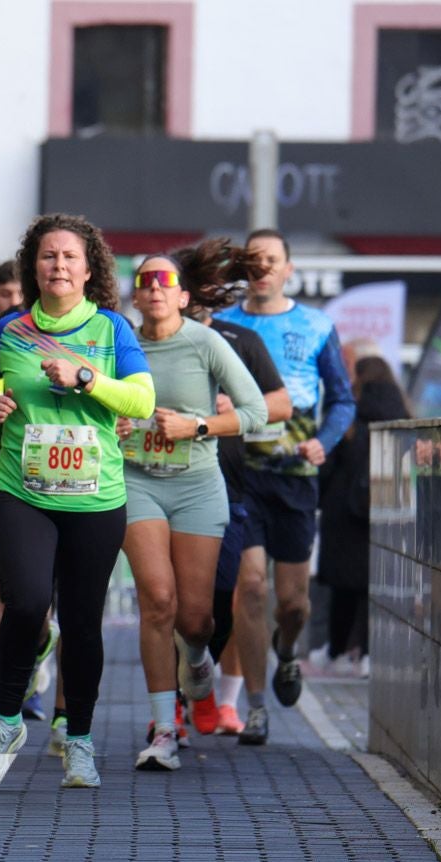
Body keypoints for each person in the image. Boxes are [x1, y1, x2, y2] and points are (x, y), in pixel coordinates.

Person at [0, 213, 155, 789]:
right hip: (21, 489)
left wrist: (87, 378)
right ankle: (8, 719)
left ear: (89, 269)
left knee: (82, 622)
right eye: (48, 257)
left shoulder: (112, 331)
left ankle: (80, 739)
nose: (59, 266)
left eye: (70, 257)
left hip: (95, 498)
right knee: (25, 604)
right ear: (33, 267)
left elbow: (141, 402)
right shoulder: (11, 331)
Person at [115, 241, 267, 772]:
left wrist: (196, 426)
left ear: (182, 297)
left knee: (196, 618)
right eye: (146, 281)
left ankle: (198, 661)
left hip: (199, 484)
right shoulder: (120, 344)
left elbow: (256, 412)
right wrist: (116, 424)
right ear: (135, 295)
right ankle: (164, 729)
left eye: (165, 282)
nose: (155, 290)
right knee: (158, 601)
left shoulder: (206, 343)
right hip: (137, 481)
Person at [215, 229, 356, 742]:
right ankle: (255, 707)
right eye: (253, 261)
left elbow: (342, 399)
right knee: (249, 588)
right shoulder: (224, 324)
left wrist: (326, 440)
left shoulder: (317, 325)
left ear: (289, 268)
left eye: (272, 261)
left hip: (296, 476)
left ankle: (288, 650)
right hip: (240, 473)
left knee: (293, 603)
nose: (262, 269)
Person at [186, 290, 291, 738]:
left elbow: (279, 405)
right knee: (166, 599)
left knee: (231, 595)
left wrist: (234, 409)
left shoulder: (236, 340)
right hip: (158, 483)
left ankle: (221, 694)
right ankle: (169, 713)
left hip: (230, 484)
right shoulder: (139, 341)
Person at [316, 355, 409, 676]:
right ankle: (370, 653)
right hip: (387, 511)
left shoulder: (348, 419)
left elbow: (325, 465)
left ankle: (338, 650)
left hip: (343, 514)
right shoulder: (402, 418)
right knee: (378, 587)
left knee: (343, 590)